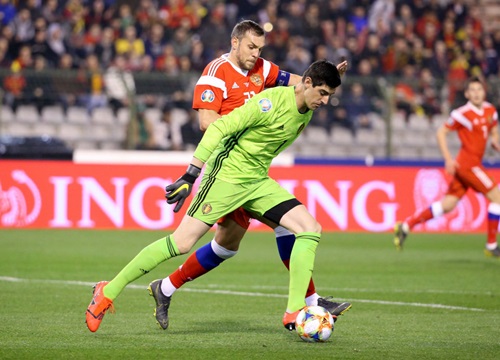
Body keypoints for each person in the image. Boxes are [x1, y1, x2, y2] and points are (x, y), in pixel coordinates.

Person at [86, 60, 343, 333]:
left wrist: (332, 73)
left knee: (309, 229)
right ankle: (108, 290)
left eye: (330, 96)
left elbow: (305, 79)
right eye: (323, 93)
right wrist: (190, 174)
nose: (325, 102)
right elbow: (219, 128)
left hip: (256, 181)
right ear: (307, 84)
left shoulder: (306, 101)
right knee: (181, 243)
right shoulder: (267, 104)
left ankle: (295, 310)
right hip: (225, 178)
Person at [154, 20, 350, 330]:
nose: (257, 53)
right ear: (235, 42)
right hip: (228, 165)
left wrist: (328, 76)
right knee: (276, 231)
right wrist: (252, 119)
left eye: (260, 48)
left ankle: (164, 288)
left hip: (251, 171)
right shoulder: (215, 73)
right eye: (252, 47)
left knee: (229, 245)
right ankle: (308, 304)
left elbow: (300, 82)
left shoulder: (263, 68)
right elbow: (208, 123)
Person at [394, 76, 500, 258]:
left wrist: (495, 140)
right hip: (468, 165)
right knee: (497, 198)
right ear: (466, 94)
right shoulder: (462, 114)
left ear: (484, 91)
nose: (476, 93)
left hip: (471, 165)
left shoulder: (491, 110)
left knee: (448, 205)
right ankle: (491, 245)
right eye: (472, 90)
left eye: (479, 89)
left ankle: (406, 225)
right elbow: (441, 132)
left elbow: (493, 127)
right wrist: (448, 159)